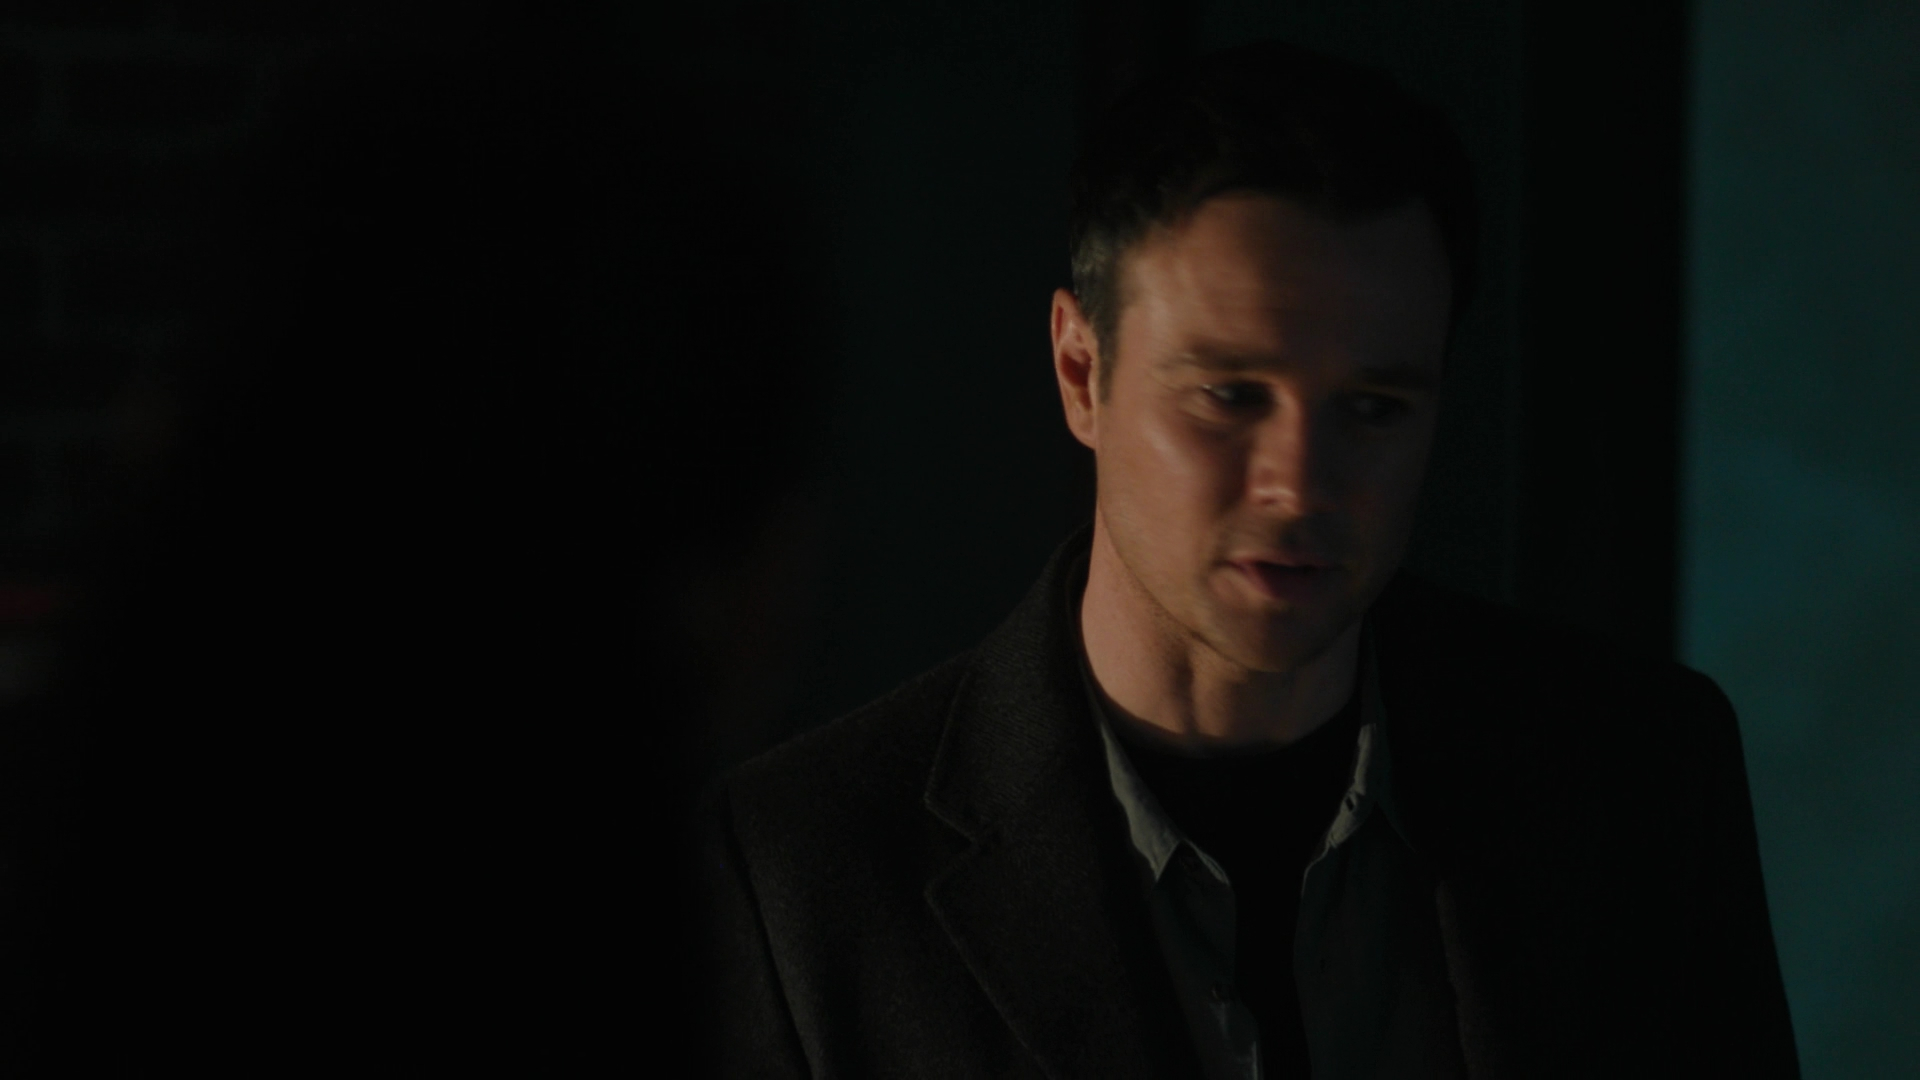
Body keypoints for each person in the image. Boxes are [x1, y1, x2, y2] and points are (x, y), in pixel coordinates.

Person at [704, 40, 1799, 1079]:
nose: (1300, 482)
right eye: (1230, 395)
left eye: (1373, 408)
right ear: (1082, 372)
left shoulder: (1643, 783)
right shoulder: (804, 873)